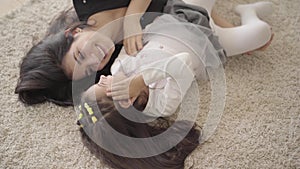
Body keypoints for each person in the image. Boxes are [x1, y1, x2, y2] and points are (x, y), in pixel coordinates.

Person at [15, 0, 274, 106]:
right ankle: (246, 14)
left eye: (81, 55)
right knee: (260, 36)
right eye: (89, 69)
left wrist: (131, 20)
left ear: (72, 33)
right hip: (188, 17)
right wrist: (218, 27)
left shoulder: (88, 1)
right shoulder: (114, 63)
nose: (96, 61)